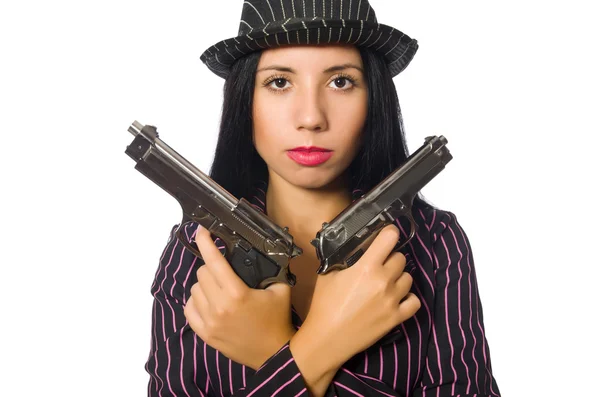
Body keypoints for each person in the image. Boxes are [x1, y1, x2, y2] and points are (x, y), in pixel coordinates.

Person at [144, 1, 501, 396]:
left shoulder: (437, 242)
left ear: (375, 101)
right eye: (279, 82)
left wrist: (273, 351)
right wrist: (320, 348)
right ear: (245, 104)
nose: (311, 117)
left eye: (341, 82)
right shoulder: (195, 250)